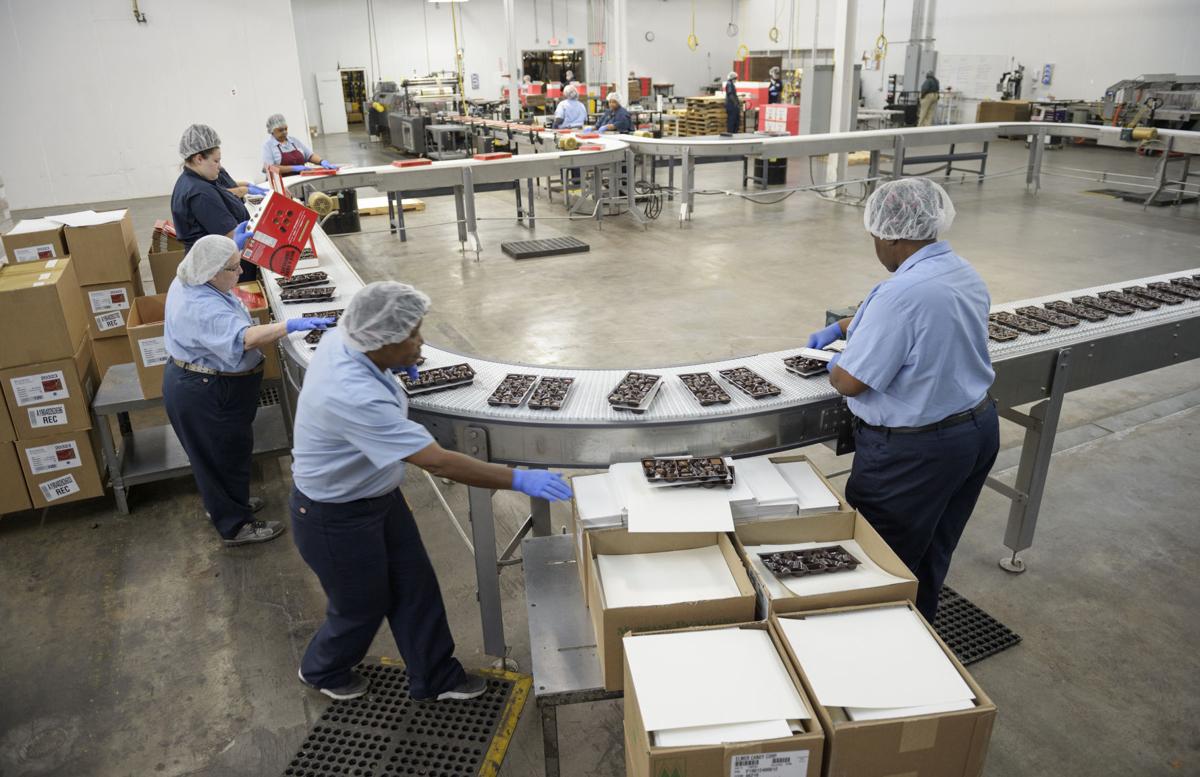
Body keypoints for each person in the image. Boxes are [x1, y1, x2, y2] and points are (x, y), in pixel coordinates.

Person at [289, 281, 573, 701]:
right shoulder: (351, 394)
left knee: (415, 587)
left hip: (378, 497)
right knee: (361, 606)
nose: (421, 342)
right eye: (412, 336)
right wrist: (516, 479)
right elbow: (438, 461)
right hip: (333, 515)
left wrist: (392, 368)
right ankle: (322, 668)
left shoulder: (348, 336)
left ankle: (436, 676)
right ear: (380, 342)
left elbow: (376, 372)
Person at [807, 178, 999, 622]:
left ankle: (878, 645)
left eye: (875, 236)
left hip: (914, 454)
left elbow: (851, 383)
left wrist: (834, 363)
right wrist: (843, 328)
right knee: (933, 550)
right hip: (976, 431)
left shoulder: (899, 294)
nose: (875, 245)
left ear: (891, 235)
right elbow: (917, 316)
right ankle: (921, 630)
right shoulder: (960, 270)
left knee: (879, 560)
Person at [162, 235, 334, 547]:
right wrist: (289, 326)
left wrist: (231, 245)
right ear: (213, 273)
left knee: (224, 453)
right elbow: (245, 339)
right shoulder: (202, 307)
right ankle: (234, 525)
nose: (240, 272)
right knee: (220, 456)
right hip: (205, 390)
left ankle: (228, 503)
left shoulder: (192, 276)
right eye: (233, 267)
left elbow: (212, 255)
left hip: (202, 383)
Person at [171, 124, 258, 282]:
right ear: (199, 159)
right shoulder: (201, 193)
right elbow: (232, 236)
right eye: (216, 161)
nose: (219, 166)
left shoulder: (193, 180)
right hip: (219, 271)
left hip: (212, 265)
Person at [262, 114, 338, 174]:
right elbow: (270, 168)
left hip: (299, 179)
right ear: (272, 131)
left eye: (286, 129)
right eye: (280, 130)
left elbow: (309, 155)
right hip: (282, 183)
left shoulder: (293, 141)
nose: (285, 132)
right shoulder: (268, 146)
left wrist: (322, 162)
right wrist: (293, 168)